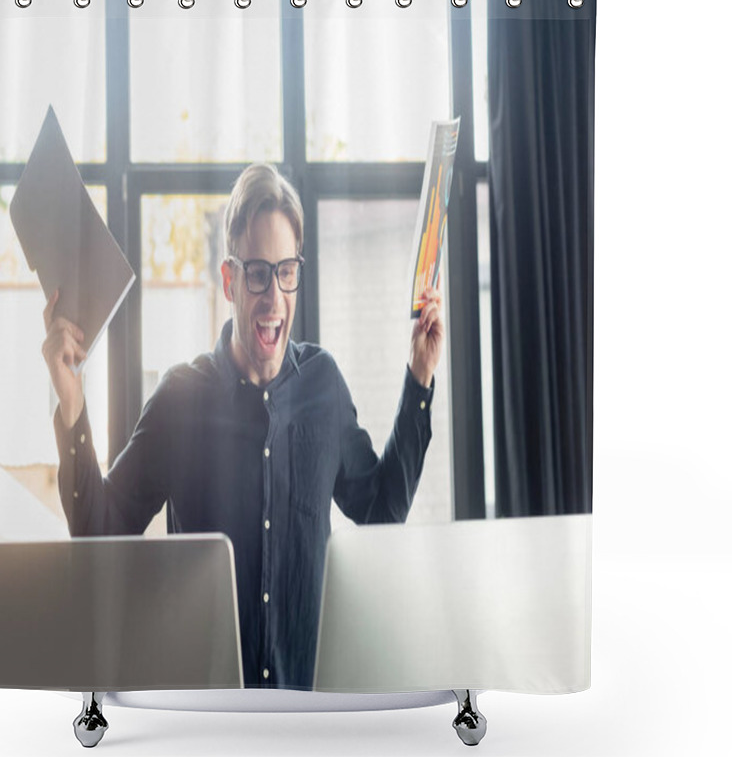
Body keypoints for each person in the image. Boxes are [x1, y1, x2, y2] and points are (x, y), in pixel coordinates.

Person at [42, 163, 444, 690]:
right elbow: (99, 531)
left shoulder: (324, 386)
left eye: (286, 271)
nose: (273, 296)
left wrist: (419, 377)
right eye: (257, 272)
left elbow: (381, 511)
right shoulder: (179, 400)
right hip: (206, 717)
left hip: (308, 714)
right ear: (230, 279)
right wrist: (71, 403)